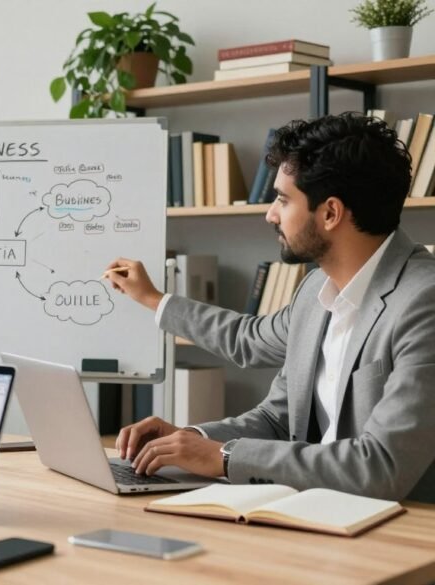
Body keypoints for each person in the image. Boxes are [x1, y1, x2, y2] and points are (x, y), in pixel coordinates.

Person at [106, 112, 435, 503]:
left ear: (330, 213)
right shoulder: (315, 290)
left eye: (282, 199)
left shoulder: (422, 302)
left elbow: (381, 466)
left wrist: (224, 458)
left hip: (400, 530)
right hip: (315, 508)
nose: (270, 214)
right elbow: (277, 419)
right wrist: (191, 439)